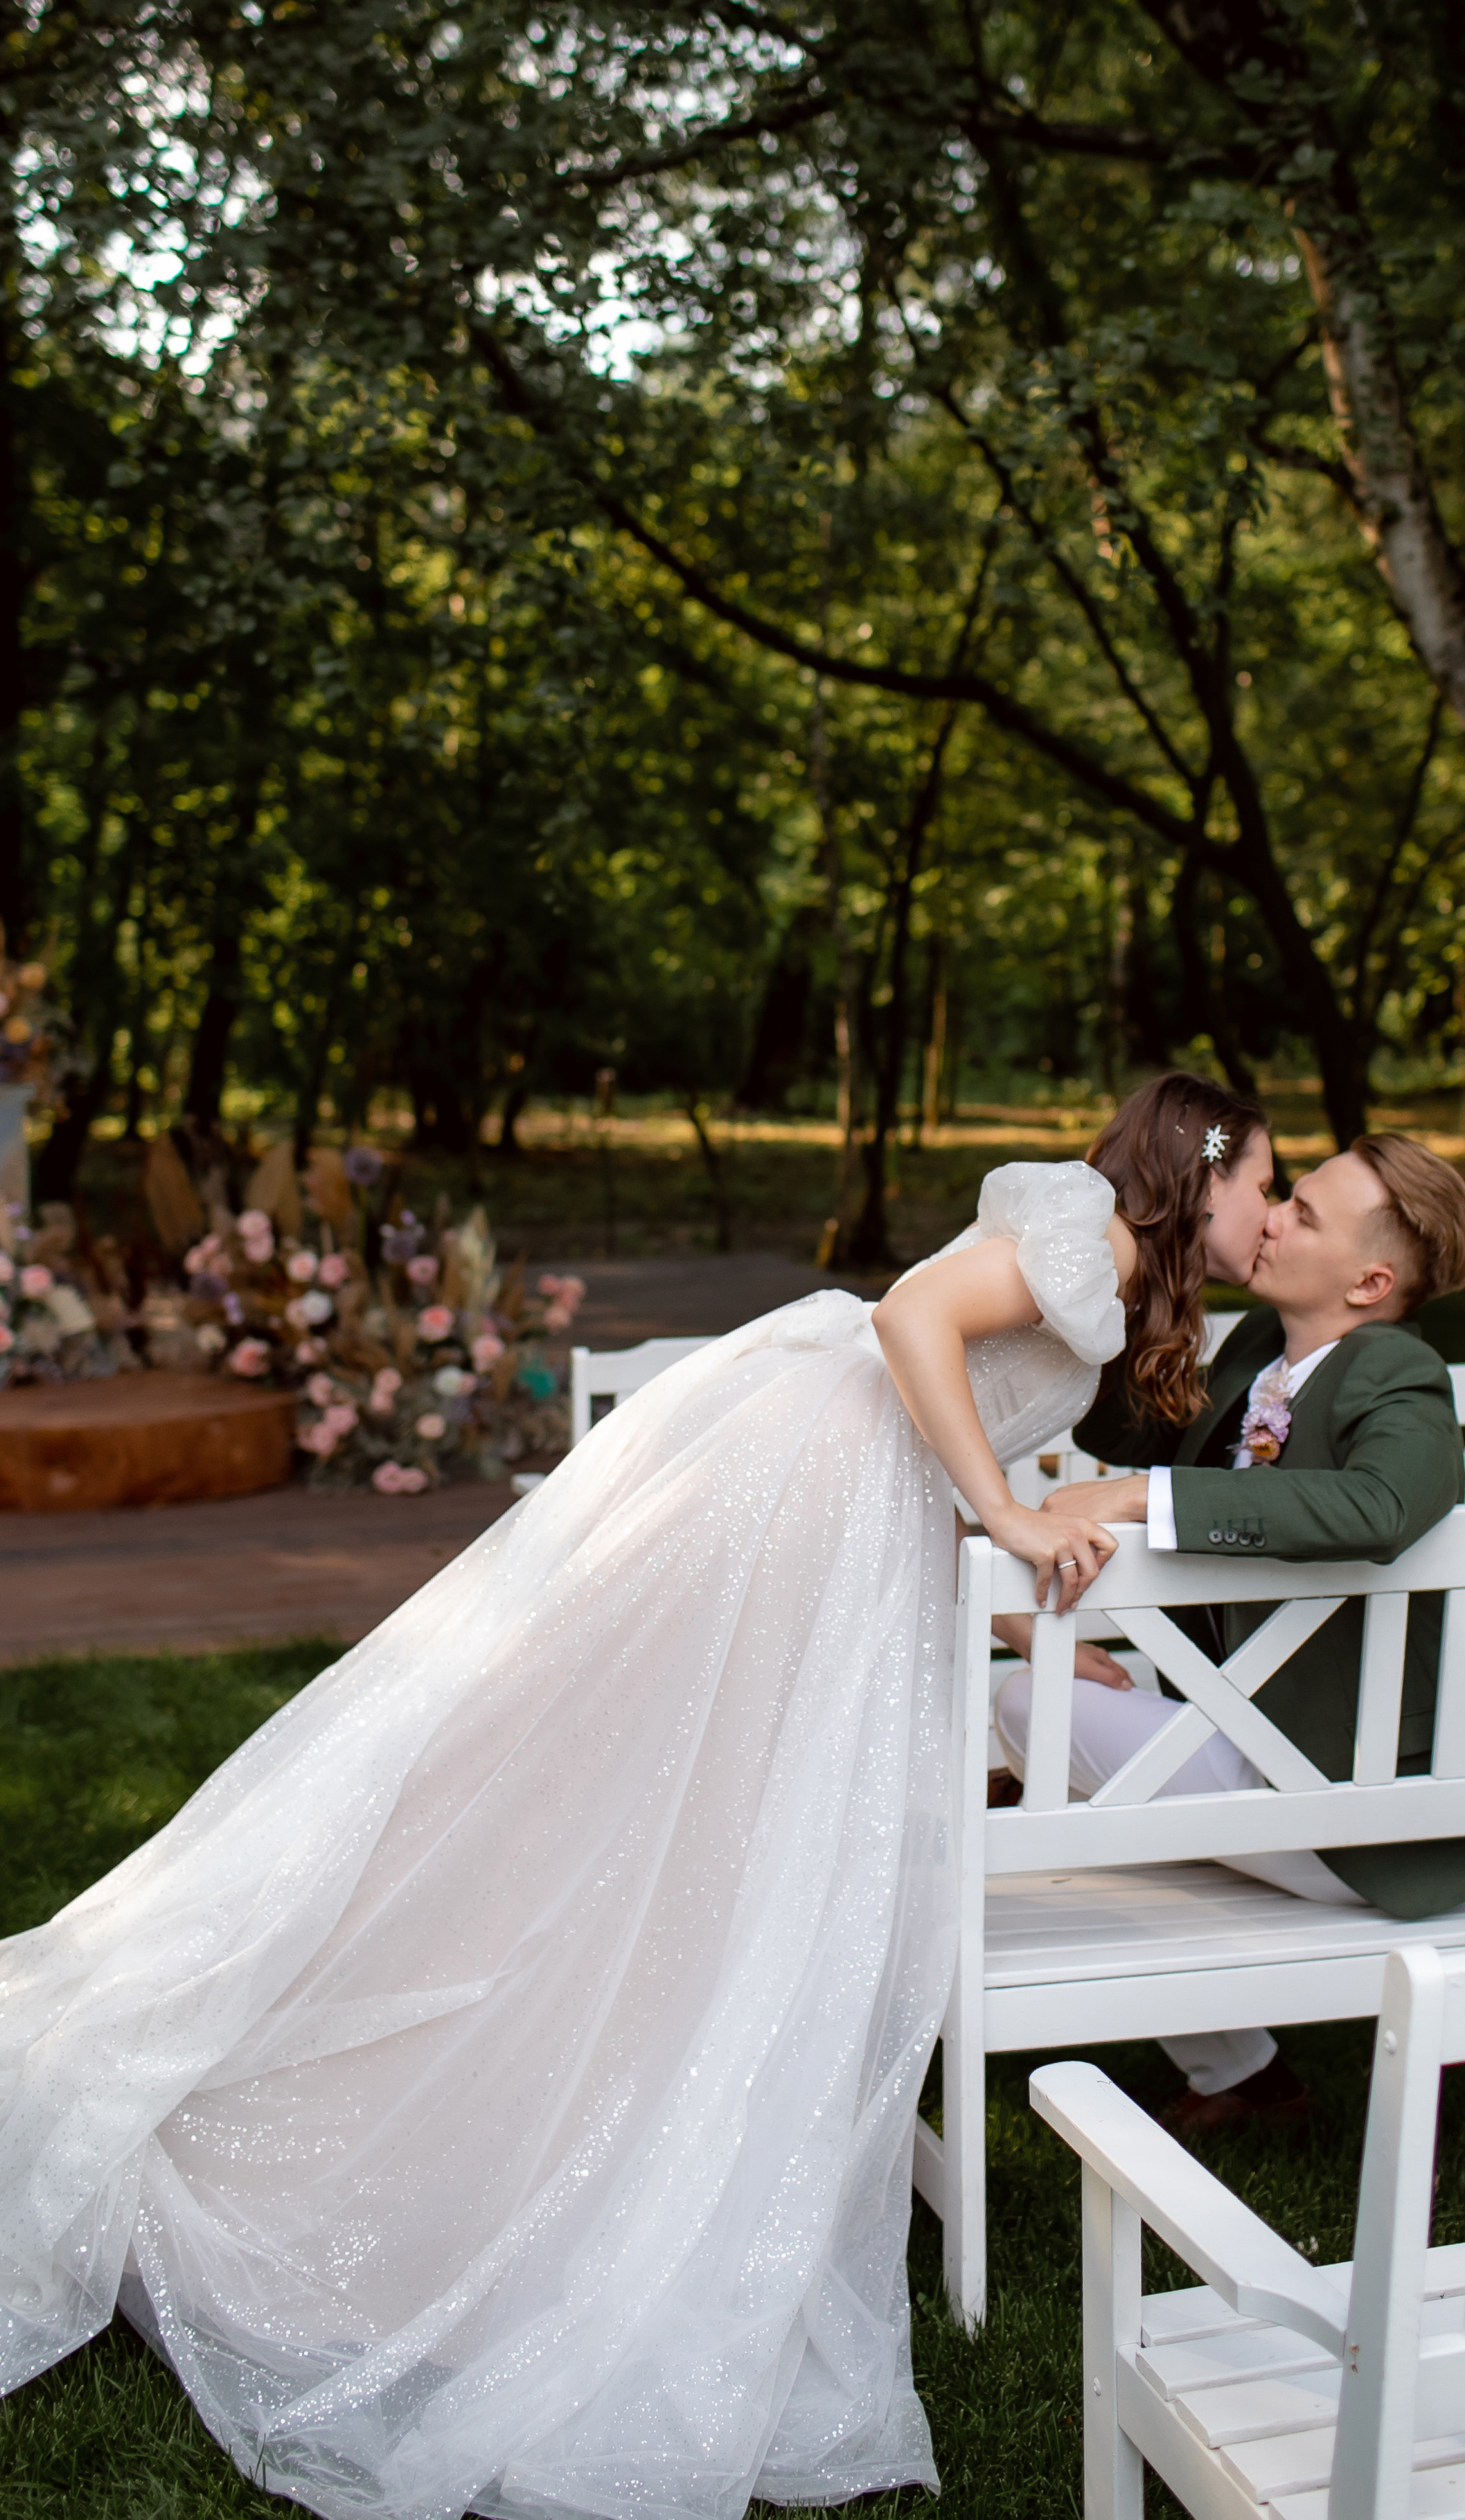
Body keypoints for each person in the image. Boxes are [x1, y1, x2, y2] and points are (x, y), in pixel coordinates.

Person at [0, 1072, 1250, 2520]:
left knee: (704, 1803)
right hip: (802, 1472)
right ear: (1192, 1174)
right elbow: (911, 1324)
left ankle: (611, 2063)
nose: (1264, 1210)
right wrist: (1008, 1511)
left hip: (845, 1489)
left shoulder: (1102, 1263)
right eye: (1258, 1182)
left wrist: (1035, 1572)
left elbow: (965, 1390)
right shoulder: (1085, 1232)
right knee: (628, 1773)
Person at [994, 1129, 1465, 2140]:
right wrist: (1140, 1285)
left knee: (1028, 1708)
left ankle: (1241, 2068)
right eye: (1284, 1194)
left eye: (1306, 1213)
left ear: (1372, 1279)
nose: (1274, 1213)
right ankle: (1246, 2079)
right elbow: (1124, 1429)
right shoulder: (1261, 1351)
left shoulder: (1399, 1374)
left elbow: (1387, 1505)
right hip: (1273, 1743)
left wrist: (1144, 1497)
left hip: (1375, 1800)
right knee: (1086, 1771)